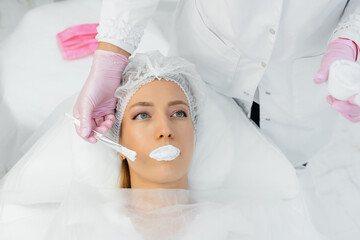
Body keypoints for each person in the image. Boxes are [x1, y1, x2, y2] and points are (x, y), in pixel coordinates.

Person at [73, 0, 360, 167]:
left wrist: (350, 39)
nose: (164, 133)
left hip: (300, 82)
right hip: (211, 56)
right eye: (143, 115)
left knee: (278, 169)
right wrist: (112, 54)